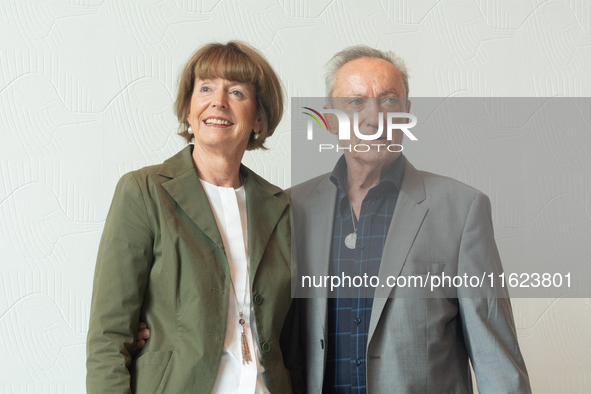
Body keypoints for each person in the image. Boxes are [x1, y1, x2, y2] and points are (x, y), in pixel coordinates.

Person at [291, 46, 531, 393]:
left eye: (389, 101)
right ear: (330, 120)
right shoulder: (291, 208)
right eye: (356, 102)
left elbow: (497, 360)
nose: (374, 118)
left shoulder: (462, 209)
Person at [86, 41, 302, 394]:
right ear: (189, 110)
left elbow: (293, 340)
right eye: (205, 88)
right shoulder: (145, 191)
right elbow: (108, 336)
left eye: (236, 92)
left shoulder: (282, 208)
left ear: (259, 118)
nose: (218, 101)